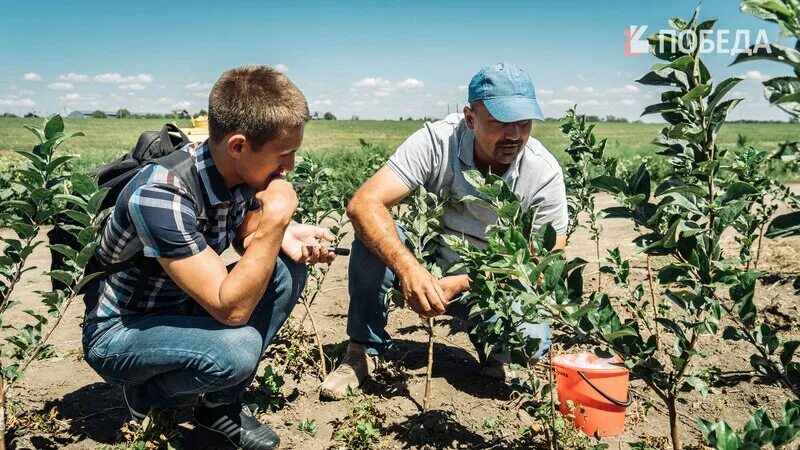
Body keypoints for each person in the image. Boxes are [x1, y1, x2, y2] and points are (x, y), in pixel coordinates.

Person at [82, 65, 337, 450]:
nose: (289, 168)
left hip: (183, 305)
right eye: (284, 155)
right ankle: (147, 396)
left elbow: (244, 234)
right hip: (123, 331)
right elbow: (230, 310)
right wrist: (277, 219)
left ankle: (218, 407)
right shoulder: (161, 193)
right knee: (236, 351)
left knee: (286, 269)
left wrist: (284, 233)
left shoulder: (236, 173)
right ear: (238, 146)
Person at [320, 62, 568, 401]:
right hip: (429, 260)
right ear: (470, 118)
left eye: (523, 122)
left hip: (490, 283)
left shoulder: (542, 173)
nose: (514, 135)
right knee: (371, 236)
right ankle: (363, 352)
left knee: (531, 346)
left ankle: (498, 354)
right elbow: (363, 204)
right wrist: (410, 270)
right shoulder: (439, 141)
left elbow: (544, 268)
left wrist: (466, 282)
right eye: (499, 122)